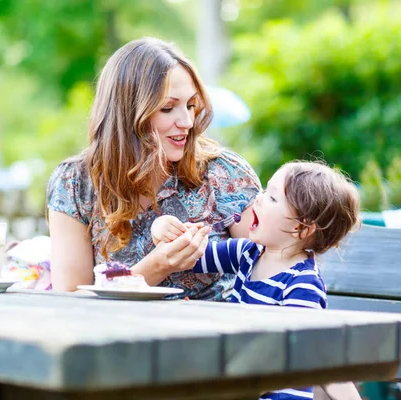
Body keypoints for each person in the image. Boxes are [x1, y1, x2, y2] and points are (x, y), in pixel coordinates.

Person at [47, 37, 261, 299]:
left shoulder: (225, 173)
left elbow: (273, 263)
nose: (187, 122)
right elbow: (68, 300)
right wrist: (157, 266)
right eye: (168, 108)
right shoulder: (75, 182)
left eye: (191, 105)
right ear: (127, 112)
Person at [151, 160, 362, 400]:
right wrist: (163, 228)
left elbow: (299, 356)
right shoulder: (246, 254)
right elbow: (190, 256)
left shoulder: (302, 284)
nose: (258, 199)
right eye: (264, 191)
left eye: (272, 198)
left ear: (302, 230)